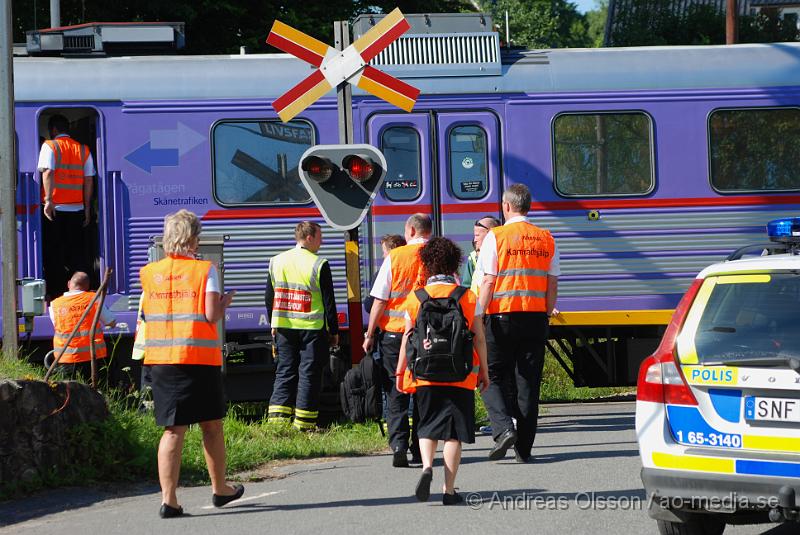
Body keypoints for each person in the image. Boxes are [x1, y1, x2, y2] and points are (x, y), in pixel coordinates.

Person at [139, 209, 243, 518]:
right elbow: (211, 315)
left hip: (161, 361)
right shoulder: (204, 270)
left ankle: (169, 499)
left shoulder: (149, 272)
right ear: (194, 238)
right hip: (197, 358)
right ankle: (220, 488)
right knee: (211, 426)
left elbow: (145, 314)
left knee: (173, 430)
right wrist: (224, 304)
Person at [396, 237, 489, 504]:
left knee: (427, 426)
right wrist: (483, 370)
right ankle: (449, 491)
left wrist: (401, 371)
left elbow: (407, 337)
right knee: (454, 434)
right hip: (460, 374)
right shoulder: (467, 297)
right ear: (454, 265)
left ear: (426, 265)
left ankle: (427, 466)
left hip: (423, 374)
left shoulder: (416, 298)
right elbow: (479, 337)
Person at [477, 183, 560, 463]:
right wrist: (546, 314)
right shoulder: (546, 238)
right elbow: (552, 283)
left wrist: (479, 314)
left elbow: (488, 280)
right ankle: (524, 449)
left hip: (501, 318)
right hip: (536, 318)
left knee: (492, 376)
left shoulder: (496, 237)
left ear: (507, 206)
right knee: (528, 383)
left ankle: (503, 430)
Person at [363, 214, 432, 467]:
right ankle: (420, 447)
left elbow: (379, 301)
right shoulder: (439, 254)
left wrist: (369, 335)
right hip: (429, 333)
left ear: (411, 230)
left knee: (396, 390)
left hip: (394, 334)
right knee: (425, 390)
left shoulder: (395, 257)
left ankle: (399, 445)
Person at [265, 221, 339, 430]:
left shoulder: (276, 261)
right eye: (319, 237)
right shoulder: (319, 264)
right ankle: (304, 425)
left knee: (285, 371)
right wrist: (333, 331)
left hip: (284, 327)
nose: (321, 242)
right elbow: (329, 302)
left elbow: (268, 296)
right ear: (309, 237)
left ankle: (277, 424)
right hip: (312, 328)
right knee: (308, 373)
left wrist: (273, 322)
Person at [38, 114, 96, 298]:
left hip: (54, 210)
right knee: (76, 254)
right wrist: (87, 208)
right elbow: (88, 180)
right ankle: (80, 292)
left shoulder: (49, 146)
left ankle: (56, 294)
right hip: (77, 210)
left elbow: (47, 173)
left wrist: (48, 201)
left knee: (54, 253)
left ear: (53, 130)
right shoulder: (83, 149)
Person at [49, 271, 116, 381]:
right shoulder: (94, 299)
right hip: (92, 358)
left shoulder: (54, 304)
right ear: (87, 286)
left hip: (65, 358)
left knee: (68, 393)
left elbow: (57, 325)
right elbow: (111, 322)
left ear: (69, 283)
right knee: (95, 394)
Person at [364, 234, 406, 313]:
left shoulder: (381, 274)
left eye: (384, 252)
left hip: (389, 323)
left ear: (391, 253)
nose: (383, 256)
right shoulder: (413, 271)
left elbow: (369, 305)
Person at [462, 216, 501, 293]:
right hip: (475, 303)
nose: (475, 240)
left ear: (489, 234)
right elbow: (466, 286)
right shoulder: (473, 257)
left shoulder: (502, 255)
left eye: (477, 235)